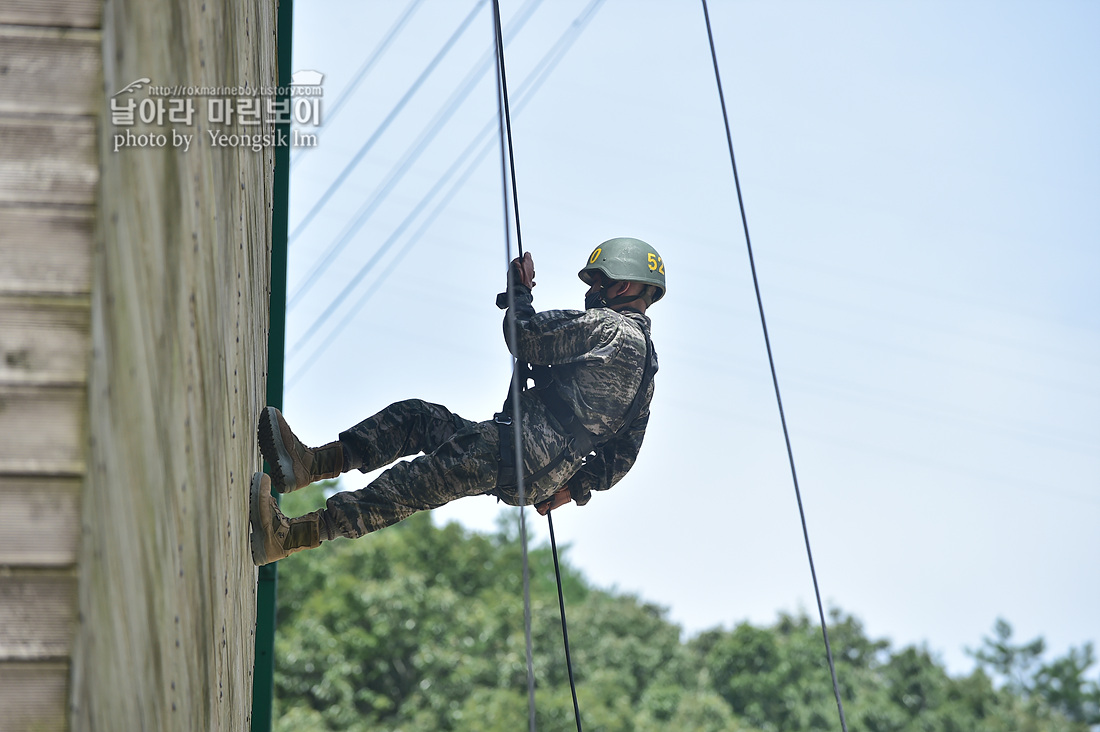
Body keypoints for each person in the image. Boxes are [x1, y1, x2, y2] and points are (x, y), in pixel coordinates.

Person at [248, 237, 666, 566]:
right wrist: (570, 487)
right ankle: (308, 465)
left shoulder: (609, 329)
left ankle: (287, 537)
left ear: (622, 285)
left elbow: (526, 337)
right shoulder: (646, 371)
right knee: (416, 419)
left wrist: (519, 293)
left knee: (414, 484)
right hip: (532, 465)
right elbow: (620, 460)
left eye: (598, 281)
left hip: (514, 448)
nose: (592, 291)